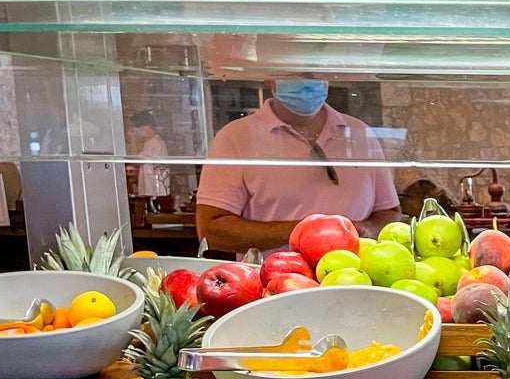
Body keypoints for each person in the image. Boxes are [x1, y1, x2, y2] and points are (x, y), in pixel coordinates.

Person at [196, 77, 399, 254]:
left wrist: (365, 230)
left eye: (314, 69)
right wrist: (309, 232)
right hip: (273, 280)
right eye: (292, 71)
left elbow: (390, 213)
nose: (307, 77)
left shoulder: (360, 132)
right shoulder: (235, 137)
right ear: (268, 77)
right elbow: (211, 231)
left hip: (354, 278)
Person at [129, 111, 170, 200]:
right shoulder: (149, 143)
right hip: (150, 190)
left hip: (155, 191)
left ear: (148, 127)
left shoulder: (156, 143)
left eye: (138, 127)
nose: (137, 131)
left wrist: (132, 140)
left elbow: (136, 161)